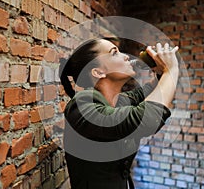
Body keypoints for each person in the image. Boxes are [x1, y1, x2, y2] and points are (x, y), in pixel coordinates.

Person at [59, 38, 179, 189]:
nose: (126, 56)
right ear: (98, 72)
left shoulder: (118, 101)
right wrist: (171, 71)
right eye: (114, 53)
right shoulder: (82, 104)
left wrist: (162, 72)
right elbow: (146, 119)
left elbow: (151, 92)